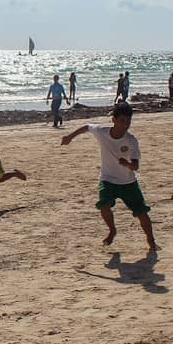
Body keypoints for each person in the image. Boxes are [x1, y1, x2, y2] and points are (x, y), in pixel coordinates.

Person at [61, 102, 157, 250]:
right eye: (122, 121)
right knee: (104, 205)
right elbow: (87, 127)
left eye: (128, 121)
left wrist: (127, 164)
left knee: (141, 212)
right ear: (113, 120)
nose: (125, 125)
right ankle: (112, 230)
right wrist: (70, 137)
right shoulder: (102, 132)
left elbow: (136, 166)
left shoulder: (131, 140)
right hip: (108, 180)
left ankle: (151, 241)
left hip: (128, 182)